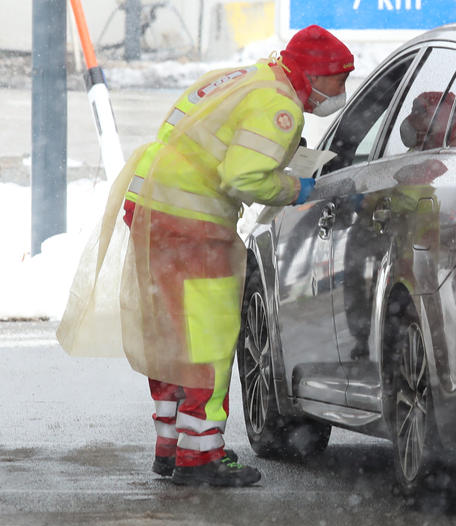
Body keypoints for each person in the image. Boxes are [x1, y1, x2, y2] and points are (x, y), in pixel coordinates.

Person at [117, 25, 353, 487]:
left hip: (151, 207)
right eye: (338, 80)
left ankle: (170, 445)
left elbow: (189, 129)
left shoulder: (242, 79)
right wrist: (295, 187)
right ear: (314, 74)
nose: (341, 92)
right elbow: (243, 179)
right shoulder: (279, 105)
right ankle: (200, 457)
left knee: (172, 335)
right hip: (193, 222)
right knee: (208, 339)